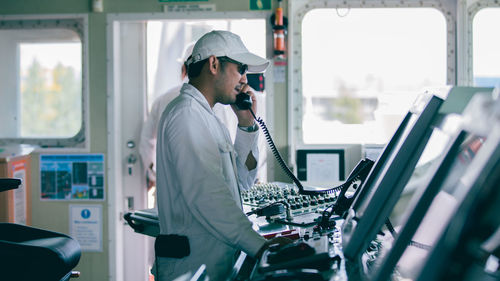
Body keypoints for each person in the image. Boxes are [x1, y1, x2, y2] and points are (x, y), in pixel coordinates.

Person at [153, 30, 291, 281]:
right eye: (240, 68)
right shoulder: (186, 115)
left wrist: (247, 125)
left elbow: (241, 183)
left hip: (213, 262)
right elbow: (209, 197)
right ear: (214, 64)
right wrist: (260, 246)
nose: (245, 80)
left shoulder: (208, 117)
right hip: (192, 267)